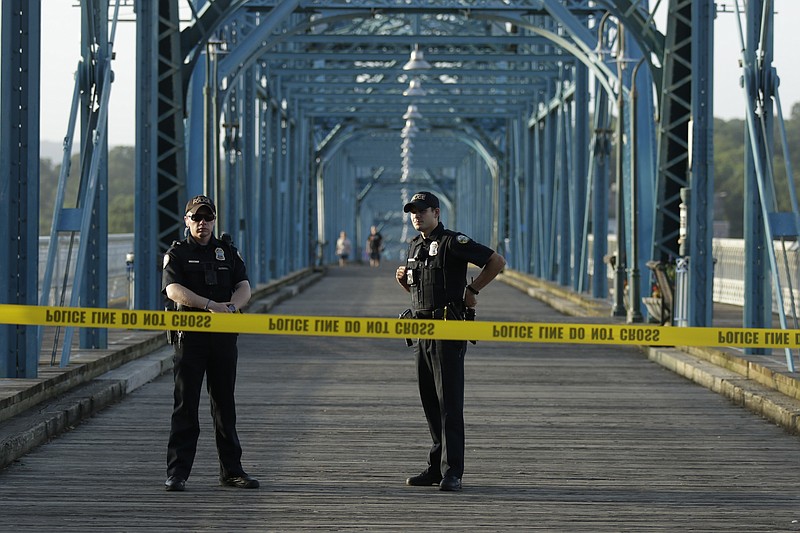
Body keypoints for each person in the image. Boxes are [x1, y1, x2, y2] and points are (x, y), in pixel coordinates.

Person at [395, 191, 506, 492]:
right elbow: (422, 291)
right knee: (430, 401)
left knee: (449, 403)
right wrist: (404, 282)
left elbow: (496, 261)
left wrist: (474, 290)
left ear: (436, 213)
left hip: (447, 329)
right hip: (421, 331)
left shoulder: (453, 243)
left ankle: (453, 471)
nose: (416, 215)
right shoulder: (414, 245)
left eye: (421, 210)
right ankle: (435, 467)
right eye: (412, 211)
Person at [161, 194, 259, 492]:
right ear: (186, 221)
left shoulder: (227, 251)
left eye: (208, 217)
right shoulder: (177, 254)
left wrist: (231, 307)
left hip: (223, 339)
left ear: (214, 220)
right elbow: (172, 289)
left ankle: (231, 471)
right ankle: (177, 473)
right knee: (185, 406)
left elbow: (243, 286)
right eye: (196, 218)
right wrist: (208, 305)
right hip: (190, 339)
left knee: (224, 406)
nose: (202, 223)